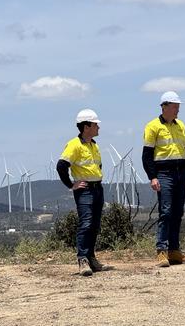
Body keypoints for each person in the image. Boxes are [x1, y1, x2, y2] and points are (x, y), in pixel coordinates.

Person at [57, 108, 113, 276]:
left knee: (95, 224)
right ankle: (82, 259)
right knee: (86, 223)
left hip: (97, 188)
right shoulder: (74, 145)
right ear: (86, 126)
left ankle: (91, 257)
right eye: (96, 124)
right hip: (85, 190)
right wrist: (71, 185)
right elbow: (61, 166)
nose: (98, 127)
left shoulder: (94, 145)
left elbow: (98, 166)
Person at [142, 91, 185, 267]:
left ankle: (174, 251)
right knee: (166, 212)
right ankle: (162, 251)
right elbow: (147, 155)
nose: (177, 110)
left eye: (178, 107)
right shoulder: (152, 126)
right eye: (174, 107)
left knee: (177, 213)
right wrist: (153, 177)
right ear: (164, 107)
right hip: (164, 173)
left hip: (181, 172)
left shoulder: (181, 126)